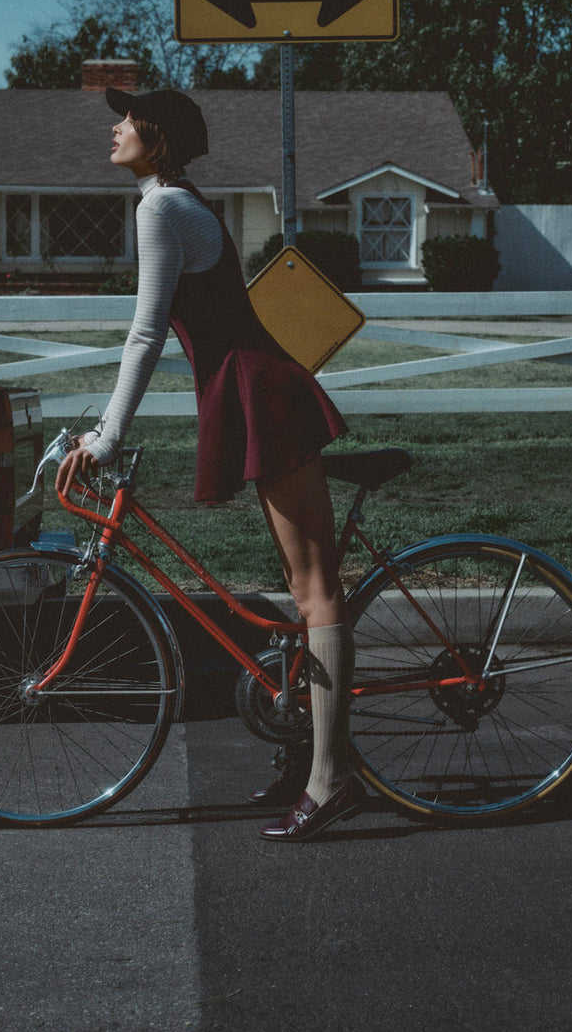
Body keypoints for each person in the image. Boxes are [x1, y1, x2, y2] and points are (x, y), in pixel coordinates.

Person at [56, 86, 366, 842]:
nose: (115, 127)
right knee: (304, 589)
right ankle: (313, 757)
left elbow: (145, 332)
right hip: (255, 389)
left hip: (262, 395)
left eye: (127, 119)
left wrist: (105, 434)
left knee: (316, 589)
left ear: (155, 137)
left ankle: (331, 779)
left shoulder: (160, 208)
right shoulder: (180, 198)